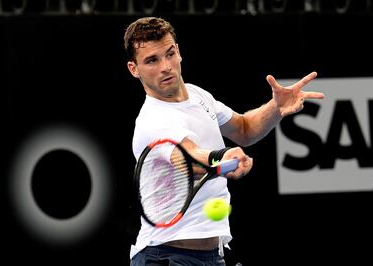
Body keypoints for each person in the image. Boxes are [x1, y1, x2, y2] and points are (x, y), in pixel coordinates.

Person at [124, 16, 324, 265]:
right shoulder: (153, 120)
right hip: (166, 256)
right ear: (134, 69)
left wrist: (276, 107)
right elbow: (188, 158)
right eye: (152, 60)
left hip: (214, 254)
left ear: (179, 52)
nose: (166, 66)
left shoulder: (199, 96)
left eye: (170, 53)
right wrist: (221, 157)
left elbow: (244, 128)